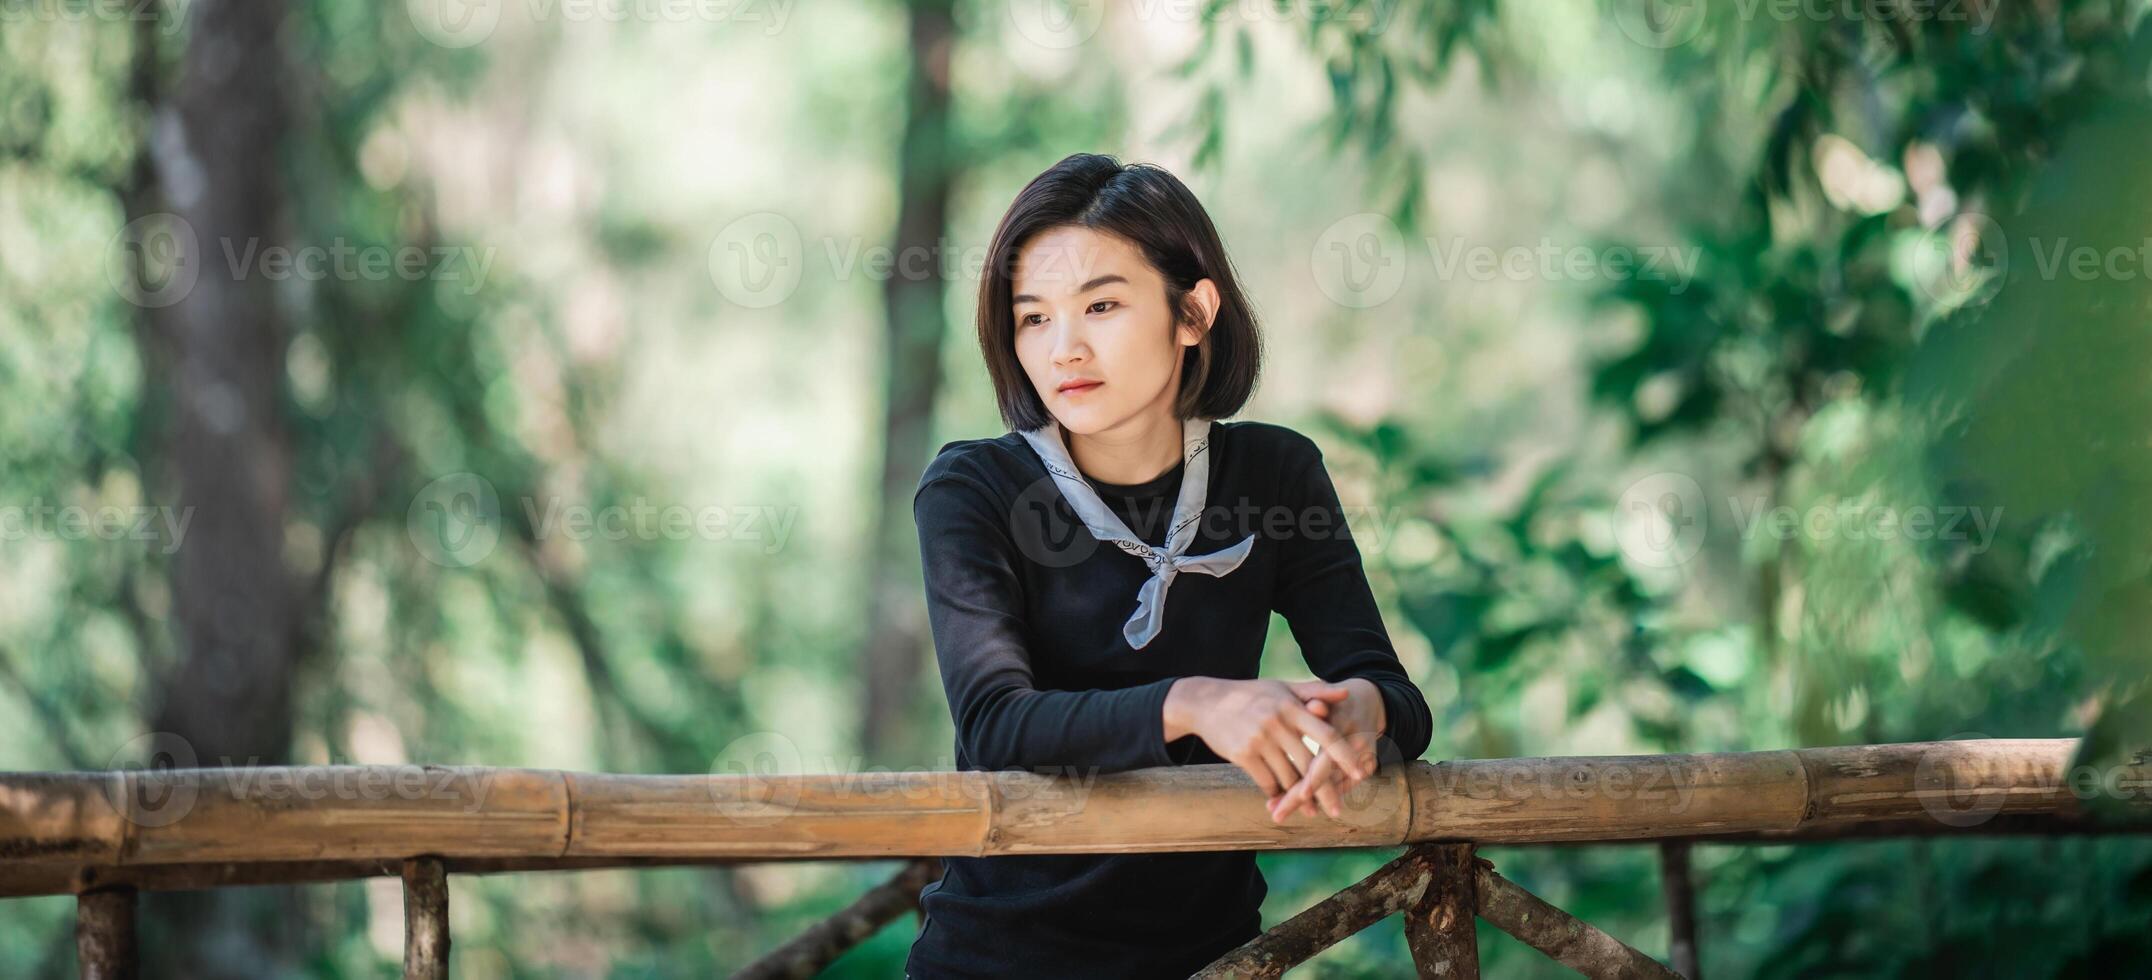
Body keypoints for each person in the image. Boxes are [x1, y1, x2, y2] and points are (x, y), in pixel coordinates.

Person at [904, 152, 1434, 979]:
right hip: (1000, 959)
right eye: (1033, 317)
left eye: (1102, 305)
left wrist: (1359, 713)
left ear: (1193, 312)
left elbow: (1394, 693)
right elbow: (998, 723)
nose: (1064, 348)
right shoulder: (974, 488)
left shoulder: (1274, 475)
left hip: (1213, 961)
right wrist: (1195, 704)